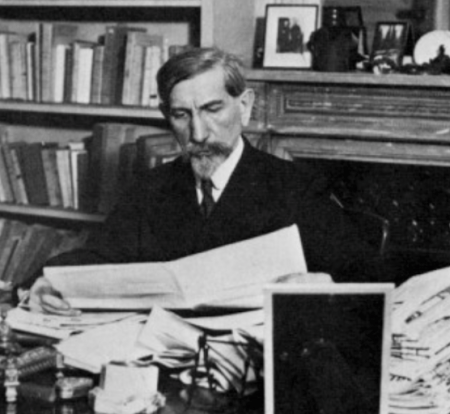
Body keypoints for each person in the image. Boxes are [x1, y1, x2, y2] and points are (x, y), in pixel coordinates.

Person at [28, 47, 380, 315]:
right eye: (182, 115)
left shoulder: (296, 186)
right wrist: (49, 282)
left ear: (245, 106)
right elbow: (100, 257)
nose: (198, 133)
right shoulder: (150, 189)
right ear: (167, 116)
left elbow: (367, 274)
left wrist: (325, 283)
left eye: (213, 110)